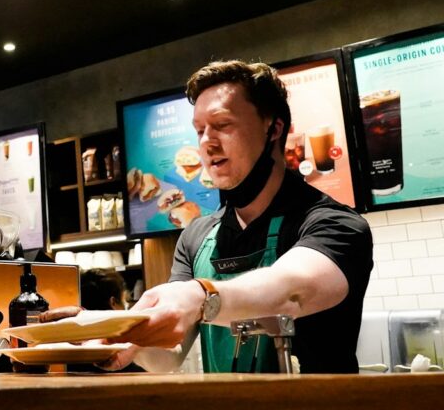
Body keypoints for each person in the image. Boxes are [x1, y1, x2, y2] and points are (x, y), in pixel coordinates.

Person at [52, 60, 372, 374]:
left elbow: (290, 292)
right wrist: (111, 339)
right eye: (200, 130)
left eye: (222, 125)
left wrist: (200, 296)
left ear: (273, 128)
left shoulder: (335, 224)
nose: (207, 142)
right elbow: (169, 355)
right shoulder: (196, 236)